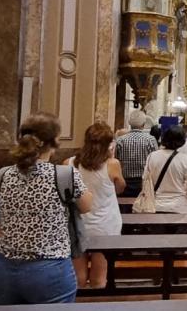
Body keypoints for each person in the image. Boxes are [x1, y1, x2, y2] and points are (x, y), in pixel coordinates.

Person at [0, 113, 93, 305]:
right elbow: (86, 206)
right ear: (54, 141)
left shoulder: (4, 174)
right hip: (50, 268)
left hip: (5, 267)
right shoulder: (63, 174)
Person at [67, 122, 125, 289]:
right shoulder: (112, 164)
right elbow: (120, 188)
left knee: (78, 277)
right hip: (105, 224)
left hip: (78, 222)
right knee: (99, 278)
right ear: (108, 144)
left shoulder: (69, 163)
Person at [143, 125, 187, 214]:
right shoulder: (185, 159)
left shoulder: (152, 156)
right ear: (182, 141)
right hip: (178, 207)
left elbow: (145, 181)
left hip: (155, 205)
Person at [115, 110, 158, 197]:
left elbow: (117, 160)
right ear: (144, 124)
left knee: (125, 207)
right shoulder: (150, 140)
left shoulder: (120, 140)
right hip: (144, 181)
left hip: (125, 180)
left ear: (129, 123)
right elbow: (155, 161)